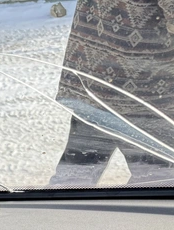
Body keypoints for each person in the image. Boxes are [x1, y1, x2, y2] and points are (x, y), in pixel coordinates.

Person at [51, 0, 174, 185]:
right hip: (143, 94)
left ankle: (55, 210)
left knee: (75, 176)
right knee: (158, 181)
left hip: (90, 78)